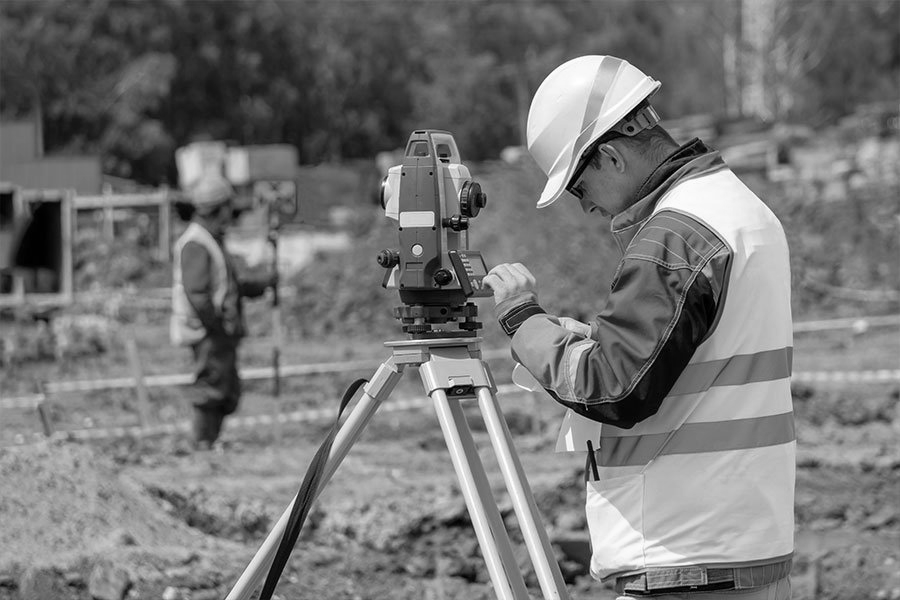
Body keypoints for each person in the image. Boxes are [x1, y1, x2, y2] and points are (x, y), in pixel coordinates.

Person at [483, 55, 795, 599]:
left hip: (683, 551)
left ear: (609, 156)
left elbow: (612, 386)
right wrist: (589, 340)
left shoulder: (675, 234)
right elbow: (699, 360)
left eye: (578, 188)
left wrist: (523, 320)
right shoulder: (743, 210)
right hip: (745, 542)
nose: (586, 208)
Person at [170, 173, 273, 450]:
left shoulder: (210, 239)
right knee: (211, 387)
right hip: (207, 331)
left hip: (216, 330)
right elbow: (198, 294)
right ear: (220, 207)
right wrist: (217, 325)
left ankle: (208, 442)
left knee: (225, 389)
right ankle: (202, 443)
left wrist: (262, 284)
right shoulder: (196, 242)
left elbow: (228, 285)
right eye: (228, 205)